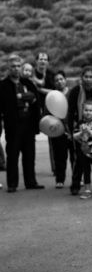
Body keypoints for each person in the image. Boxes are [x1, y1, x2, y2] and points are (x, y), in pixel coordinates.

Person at [0, 54, 44, 192]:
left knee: (29, 154)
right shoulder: (3, 85)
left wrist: (27, 97)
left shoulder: (28, 83)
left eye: (18, 66)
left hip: (28, 124)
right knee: (13, 155)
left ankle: (31, 181)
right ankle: (12, 184)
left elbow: (36, 100)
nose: (16, 69)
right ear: (9, 68)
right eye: (13, 66)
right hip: (13, 125)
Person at [51, 70, 74, 188]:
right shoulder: (52, 96)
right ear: (54, 83)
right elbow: (47, 114)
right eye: (56, 80)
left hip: (72, 129)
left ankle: (77, 179)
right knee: (59, 157)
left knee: (74, 156)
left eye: (61, 79)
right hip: (58, 131)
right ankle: (60, 179)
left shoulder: (73, 93)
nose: (59, 82)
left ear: (65, 80)